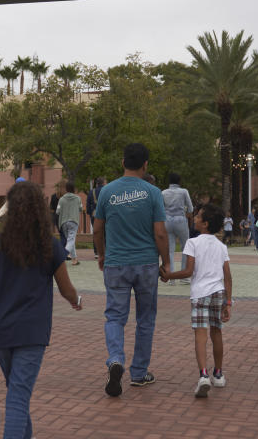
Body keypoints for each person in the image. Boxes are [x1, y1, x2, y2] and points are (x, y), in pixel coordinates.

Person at [0, 181, 83, 439]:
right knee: (18, 395)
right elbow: (65, 288)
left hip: (0, 328)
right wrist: (75, 300)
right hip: (32, 331)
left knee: (16, 391)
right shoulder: (49, 246)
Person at [93, 142, 169, 396]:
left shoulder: (106, 192)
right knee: (145, 319)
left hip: (115, 263)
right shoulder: (153, 192)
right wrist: (166, 261)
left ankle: (115, 358)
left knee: (115, 316)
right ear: (145, 165)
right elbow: (160, 232)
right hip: (146, 264)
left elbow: (97, 228)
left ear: (123, 162)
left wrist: (101, 254)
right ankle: (138, 373)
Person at [160, 203, 232, 398]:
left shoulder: (192, 243)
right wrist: (228, 302)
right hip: (218, 293)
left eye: (199, 216)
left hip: (200, 294)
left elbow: (188, 272)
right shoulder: (221, 246)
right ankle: (218, 373)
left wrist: (168, 276)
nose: (195, 218)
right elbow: (227, 276)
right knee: (216, 333)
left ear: (205, 224)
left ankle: (203, 375)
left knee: (200, 335)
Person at [162, 172, 194, 283]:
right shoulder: (184, 192)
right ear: (179, 181)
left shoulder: (163, 193)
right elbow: (190, 209)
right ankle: (184, 276)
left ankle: (170, 276)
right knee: (185, 247)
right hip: (180, 220)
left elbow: (161, 209)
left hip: (167, 221)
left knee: (170, 249)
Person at [55, 181, 83, 265]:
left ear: (66, 189)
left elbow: (57, 211)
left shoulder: (61, 199)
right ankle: (62, 256)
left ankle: (74, 259)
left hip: (63, 222)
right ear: (73, 189)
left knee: (70, 240)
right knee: (71, 240)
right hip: (73, 221)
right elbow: (81, 208)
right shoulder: (78, 198)